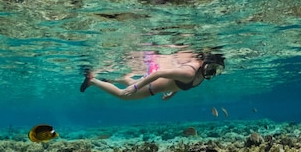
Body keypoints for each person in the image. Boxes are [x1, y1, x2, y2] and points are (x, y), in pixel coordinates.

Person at [80, 52, 225, 100]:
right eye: (212, 68)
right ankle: (93, 81)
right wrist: (136, 87)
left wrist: (172, 94)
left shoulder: (201, 73)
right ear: (206, 62)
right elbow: (158, 73)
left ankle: (124, 79)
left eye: (217, 71)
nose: (212, 73)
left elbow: (180, 83)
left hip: (153, 84)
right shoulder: (190, 72)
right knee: (123, 95)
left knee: (130, 85)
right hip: (151, 86)